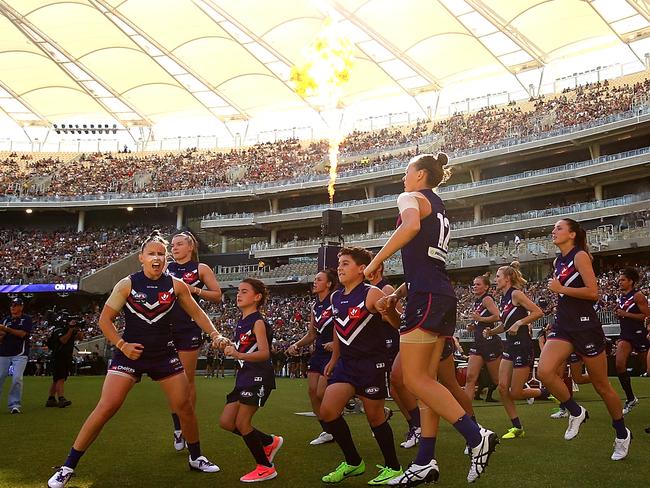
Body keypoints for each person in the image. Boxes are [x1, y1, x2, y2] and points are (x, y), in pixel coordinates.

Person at [47, 231, 227, 488]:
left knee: (184, 406)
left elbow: (198, 315)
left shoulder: (176, 285)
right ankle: (68, 466)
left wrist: (216, 334)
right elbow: (104, 320)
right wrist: (122, 344)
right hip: (129, 355)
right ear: (141, 258)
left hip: (164, 355)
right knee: (107, 406)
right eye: (151, 254)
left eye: (161, 254)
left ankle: (196, 457)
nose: (157, 258)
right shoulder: (127, 284)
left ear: (166, 259)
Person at [365, 153, 497, 485]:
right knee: (427, 383)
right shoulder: (438, 206)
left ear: (421, 174)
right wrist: (399, 293)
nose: (402, 179)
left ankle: (474, 434)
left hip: (427, 297)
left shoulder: (410, 197)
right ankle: (425, 460)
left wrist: (375, 261)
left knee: (413, 379)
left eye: (406, 173)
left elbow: (409, 228)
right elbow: (428, 259)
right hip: (437, 294)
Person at [537, 218, 632, 461]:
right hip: (563, 325)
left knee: (602, 386)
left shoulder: (580, 256)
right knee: (545, 372)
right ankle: (575, 411)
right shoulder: (558, 260)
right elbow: (565, 293)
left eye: (559, 228)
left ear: (572, 234)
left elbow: (593, 293)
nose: (553, 231)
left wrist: (561, 289)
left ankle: (621, 434)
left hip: (586, 326)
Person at [319, 247, 403, 485]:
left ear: (361, 269)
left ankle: (393, 467)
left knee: (375, 417)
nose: (340, 268)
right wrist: (335, 359)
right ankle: (354, 462)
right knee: (327, 411)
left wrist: (390, 311)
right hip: (347, 364)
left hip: (371, 364)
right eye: (339, 263)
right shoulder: (336, 296)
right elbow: (339, 329)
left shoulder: (372, 293)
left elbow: (396, 323)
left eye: (345, 263)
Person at [219, 278, 283, 483]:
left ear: (257, 297)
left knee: (242, 422)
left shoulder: (258, 321)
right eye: (239, 291)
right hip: (244, 377)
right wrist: (231, 347)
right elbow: (245, 348)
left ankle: (266, 467)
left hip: (258, 377)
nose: (239, 294)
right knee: (227, 422)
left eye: (244, 291)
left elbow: (264, 353)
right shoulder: (242, 320)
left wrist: (238, 355)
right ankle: (269, 442)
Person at [167, 231, 222, 451]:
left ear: (191, 247)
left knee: (186, 380)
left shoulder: (201, 269)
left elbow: (217, 295)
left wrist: (194, 289)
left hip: (189, 327)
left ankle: (186, 425)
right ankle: (177, 428)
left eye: (179, 244)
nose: (174, 248)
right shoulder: (165, 268)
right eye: (172, 245)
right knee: (172, 380)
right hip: (166, 329)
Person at [483, 263, 546, 439]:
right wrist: (491, 331)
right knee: (503, 388)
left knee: (516, 392)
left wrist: (520, 323)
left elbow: (538, 312)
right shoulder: (503, 299)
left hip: (523, 345)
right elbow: (505, 325)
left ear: (507, 278)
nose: (495, 279)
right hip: (510, 346)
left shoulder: (516, 294)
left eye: (497, 276)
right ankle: (517, 427)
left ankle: (547, 393)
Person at [287, 269, 338, 446]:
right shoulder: (315, 306)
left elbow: (345, 326)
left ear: (329, 284)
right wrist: (296, 345)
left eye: (319, 279)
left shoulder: (336, 300)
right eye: (315, 279)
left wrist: (335, 343)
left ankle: (350, 398)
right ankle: (327, 430)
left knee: (322, 392)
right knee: (312, 392)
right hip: (318, 352)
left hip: (333, 352)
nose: (314, 282)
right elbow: (311, 334)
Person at [614, 267, 650, 415]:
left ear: (631, 281)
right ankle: (630, 398)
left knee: (647, 369)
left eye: (623, 280)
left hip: (640, 334)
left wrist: (625, 314)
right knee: (619, 364)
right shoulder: (622, 297)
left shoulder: (638, 296)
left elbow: (646, 316)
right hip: (626, 334)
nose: (619, 282)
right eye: (619, 279)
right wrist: (620, 315)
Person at [463, 274, 502, 407]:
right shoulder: (477, 301)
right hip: (478, 342)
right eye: (474, 284)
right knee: (470, 378)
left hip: (489, 342)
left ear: (486, 287)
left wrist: (480, 320)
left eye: (478, 284)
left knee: (498, 380)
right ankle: (467, 412)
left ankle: (529, 392)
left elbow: (497, 316)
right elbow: (481, 321)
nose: (474, 286)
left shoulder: (486, 299)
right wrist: (474, 326)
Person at [0, 298, 33, 414]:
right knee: (0, 377)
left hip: (20, 353)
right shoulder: (5, 320)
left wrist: (6, 329)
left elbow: (22, 334)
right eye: (11, 305)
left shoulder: (26, 319)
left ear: (21, 307)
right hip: (3, 353)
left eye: (16, 305)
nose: (13, 307)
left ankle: (14, 404)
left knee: (17, 378)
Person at [45, 310, 83, 409]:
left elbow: (81, 338)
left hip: (66, 355)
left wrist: (78, 329)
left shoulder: (66, 328)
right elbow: (63, 340)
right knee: (60, 378)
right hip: (59, 355)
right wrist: (70, 329)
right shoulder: (58, 328)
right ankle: (61, 398)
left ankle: (51, 398)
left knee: (57, 378)